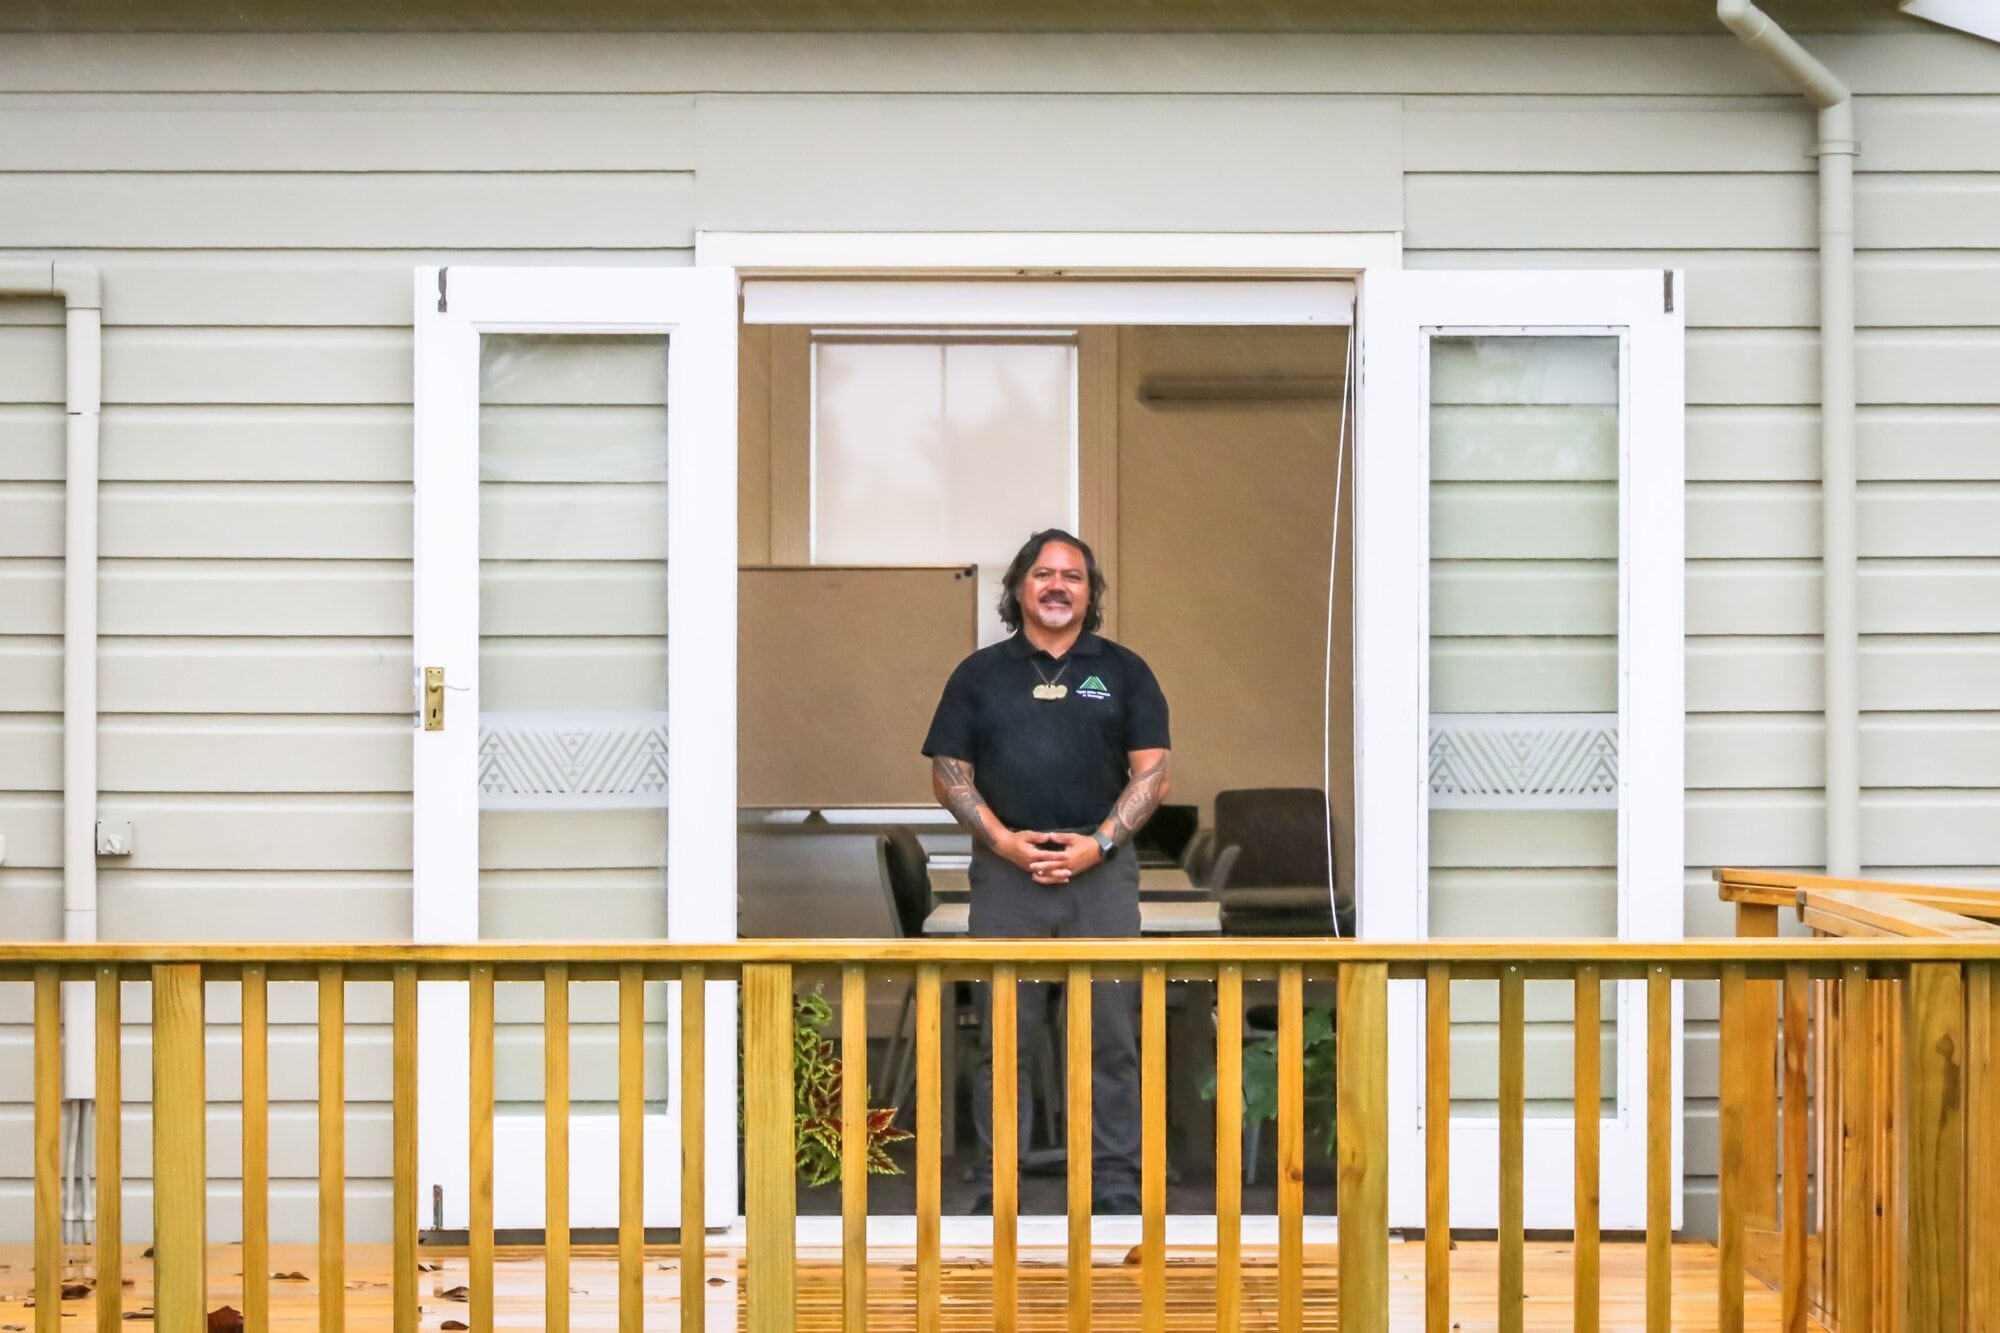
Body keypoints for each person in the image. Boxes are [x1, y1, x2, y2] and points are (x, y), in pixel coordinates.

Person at [922, 528, 1172, 1215]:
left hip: (1102, 881)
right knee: (1006, 1038)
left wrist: (1100, 842)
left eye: (1073, 575)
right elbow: (948, 775)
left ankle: (1115, 1182)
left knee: (1111, 1039)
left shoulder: (1125, 671)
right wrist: (1004, 841)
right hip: (1008, 884)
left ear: (1090, 593)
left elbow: (1154, 773)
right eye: (1043, 573)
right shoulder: (979, 674)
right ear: (1018, 588)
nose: (1058, 584)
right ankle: (998, 1184)